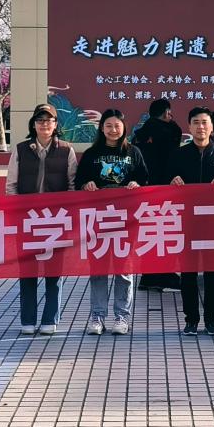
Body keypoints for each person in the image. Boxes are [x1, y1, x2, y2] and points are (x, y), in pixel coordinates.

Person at [6, 103, 78, 335]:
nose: (44, 124)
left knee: (53, 272)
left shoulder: (66, 150)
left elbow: (72, 185)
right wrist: (16, 213)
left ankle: (50, 319)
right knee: (28, 271)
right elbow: (11, 185)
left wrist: (67, 215)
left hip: (56, 221)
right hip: (28, 220)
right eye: (40, 120)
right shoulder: (21, 149)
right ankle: (27, 320)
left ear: (56, 124)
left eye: (49, 120)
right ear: (33, 124)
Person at [76, 108, 149, 336]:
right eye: (108, 125)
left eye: (117, 125)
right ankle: (97, 317)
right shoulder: (91, 154)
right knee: (98, 270)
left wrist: (137, 184)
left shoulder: (133, 152)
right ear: (101, 128)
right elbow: (79, 181)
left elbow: (145, 178)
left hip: (126, 220)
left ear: (124, 127)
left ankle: (121, 317)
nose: (113, 130)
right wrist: (86, 184)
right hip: (97, 219)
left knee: (124, 270)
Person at [168, 106, 214, 336]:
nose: (200, 127)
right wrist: (172, 180)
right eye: (196, 122)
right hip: (186, 222)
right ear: (189, 126)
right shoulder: (178, 155)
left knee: (212, 272)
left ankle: (211, 319)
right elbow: (163, 182)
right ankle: (191, 320)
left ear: (212, 127)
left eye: (204, 122)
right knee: (188, 272)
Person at [132, 99, 183, 292]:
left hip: (145, 191)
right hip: (165, 189)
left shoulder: (140, 134)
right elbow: (176, 142)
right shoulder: (170, 131)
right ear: (167, 113)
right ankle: (165, 275)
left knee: (150, 232)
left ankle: (148, 276)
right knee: (166, 231)